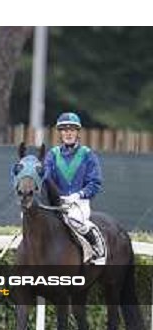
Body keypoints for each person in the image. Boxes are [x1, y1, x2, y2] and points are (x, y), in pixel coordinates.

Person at [44, 111, 105, 263]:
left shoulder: (87, 154)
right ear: (61, 133)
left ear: (77, 132)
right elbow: (46, 179)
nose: (68, 133)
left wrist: (78, 195)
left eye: (72, 130)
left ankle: (97, 248)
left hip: (79, 203)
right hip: (57, 204)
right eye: (65, 130)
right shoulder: (52, 155)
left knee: (74, 219)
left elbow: (95, 183)